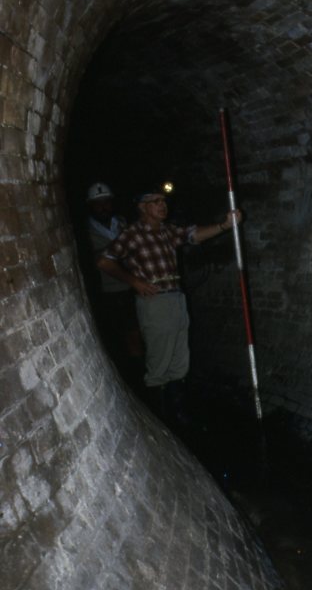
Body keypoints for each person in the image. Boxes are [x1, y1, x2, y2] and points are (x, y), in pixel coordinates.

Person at [96, 190, 241, 425]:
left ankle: (178, 411)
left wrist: (224, 225)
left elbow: (193, 235)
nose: (163, 205)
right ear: (142, 207)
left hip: (176, 298)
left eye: (163, 201)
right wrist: (134, 281)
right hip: (155, 302)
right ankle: (159, 417)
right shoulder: (132, 234)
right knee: (159, 360)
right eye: (156, 202)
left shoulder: (167, 231)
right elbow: (105, 261)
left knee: (180, 357)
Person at [85, 182, 143, 384]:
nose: (103, 207)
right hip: (108, 291)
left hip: (134, 286)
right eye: (98, 203)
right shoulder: (86, 231)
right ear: (90, 205)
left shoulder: (123, 223)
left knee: (138, 332)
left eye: (106, 202)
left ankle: (142, 375)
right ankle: (130, 376)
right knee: (120, 335)